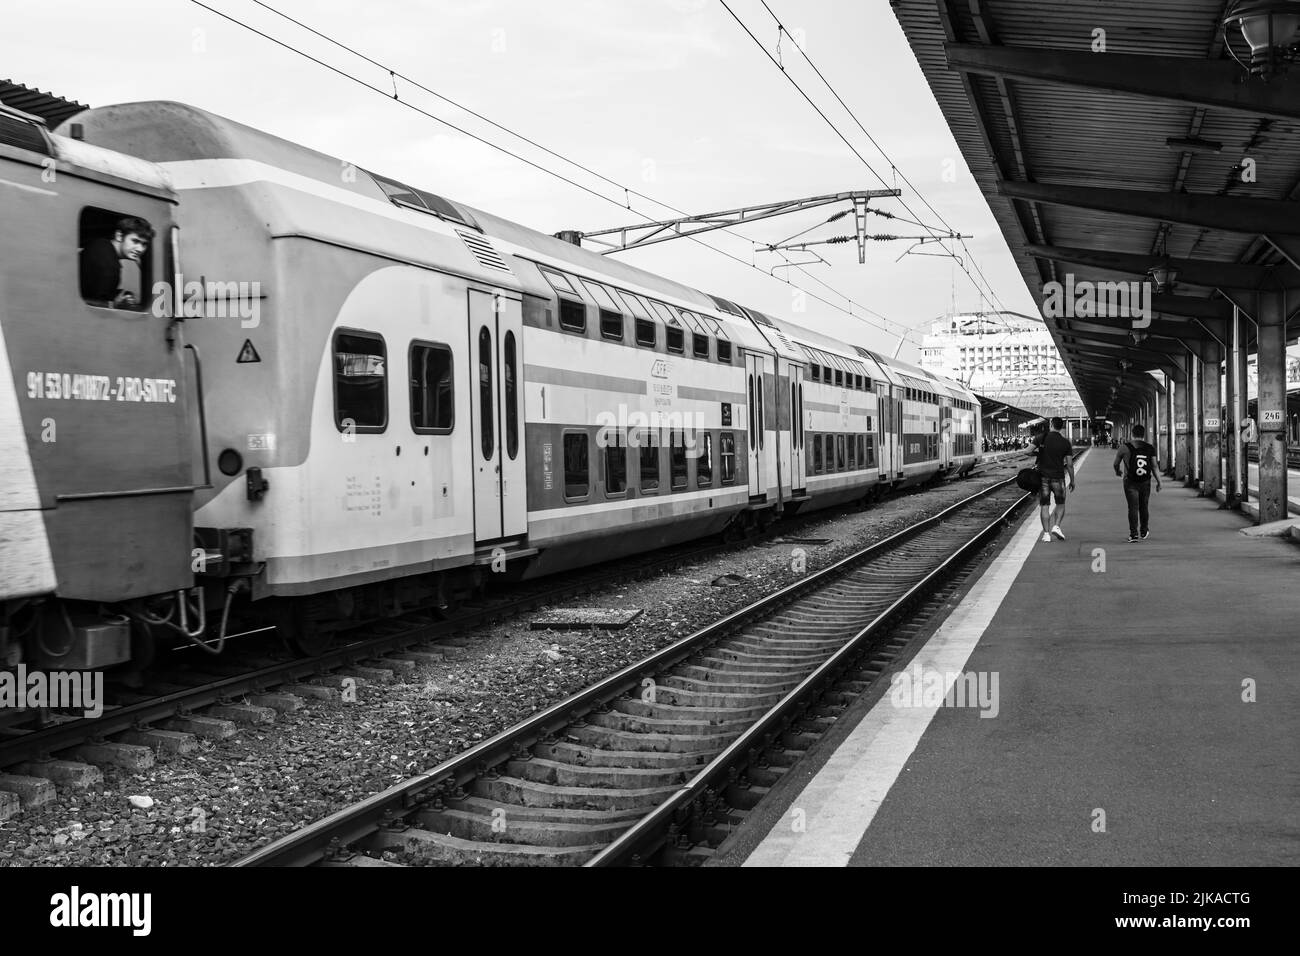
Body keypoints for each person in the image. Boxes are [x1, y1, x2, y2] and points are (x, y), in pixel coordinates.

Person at [80, 216, 153, 308]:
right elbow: (97, 307)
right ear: (119, 236)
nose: (140, 249)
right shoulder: (110, 267)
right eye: (135, 241)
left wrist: (116, 295)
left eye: (144, 244)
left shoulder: (100, 244)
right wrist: (114, 304)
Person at [1028, 416, 1076, 543]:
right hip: (1058, 477)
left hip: (1043, 477)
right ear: (1061, 427)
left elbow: (1026, 451)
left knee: (1045, 505)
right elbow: (1070, 464)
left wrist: (1038, 453)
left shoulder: (1041, 438)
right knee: (1060, 504)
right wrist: (1072, 480)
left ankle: (1046, 534)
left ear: (1051, 425)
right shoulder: (1065, 442)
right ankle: (1057, 526)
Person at [1114, 424, 1161, 542]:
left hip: (1130, 482)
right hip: (1145, 481)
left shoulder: (1124, 447)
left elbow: (1115, 463)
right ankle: (1144, 530)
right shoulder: (1150, 448)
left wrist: (1117, 471)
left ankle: (1133, 534)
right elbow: (1155, 466)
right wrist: (1159, 482)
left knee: (1133, 507)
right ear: (1143, 435)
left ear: (1132, 434)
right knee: (1144, 506)